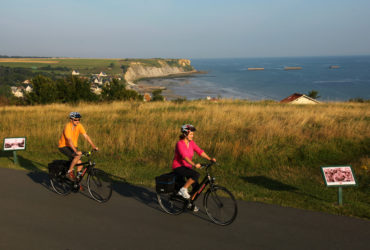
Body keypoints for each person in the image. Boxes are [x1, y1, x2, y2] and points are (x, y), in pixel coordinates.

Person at [172, 124, 216, 211]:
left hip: (187, 167)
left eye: (193, 134)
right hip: (179, 167)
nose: (193, 135)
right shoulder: (179, 144)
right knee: (195, 175)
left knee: (197, 187)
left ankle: (189, 203)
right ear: (185, 134)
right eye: (191, 134)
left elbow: (199, 151)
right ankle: (183, 189)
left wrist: (209, 158)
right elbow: (184, 156)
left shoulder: (191, 143)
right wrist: (194, 164)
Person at [58, 112, 98, 180]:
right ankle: (69, 172)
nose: (77, 121)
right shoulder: (67, 127)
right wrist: (76, 151)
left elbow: (86, 136)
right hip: (64, 146)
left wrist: (93, 146)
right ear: (71, 120)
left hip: (73, 146)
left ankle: (76, 182)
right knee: (77, 156)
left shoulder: (79, 126)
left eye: (79, 119)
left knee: (80, 164)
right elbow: (69, 140)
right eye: (75, 120)